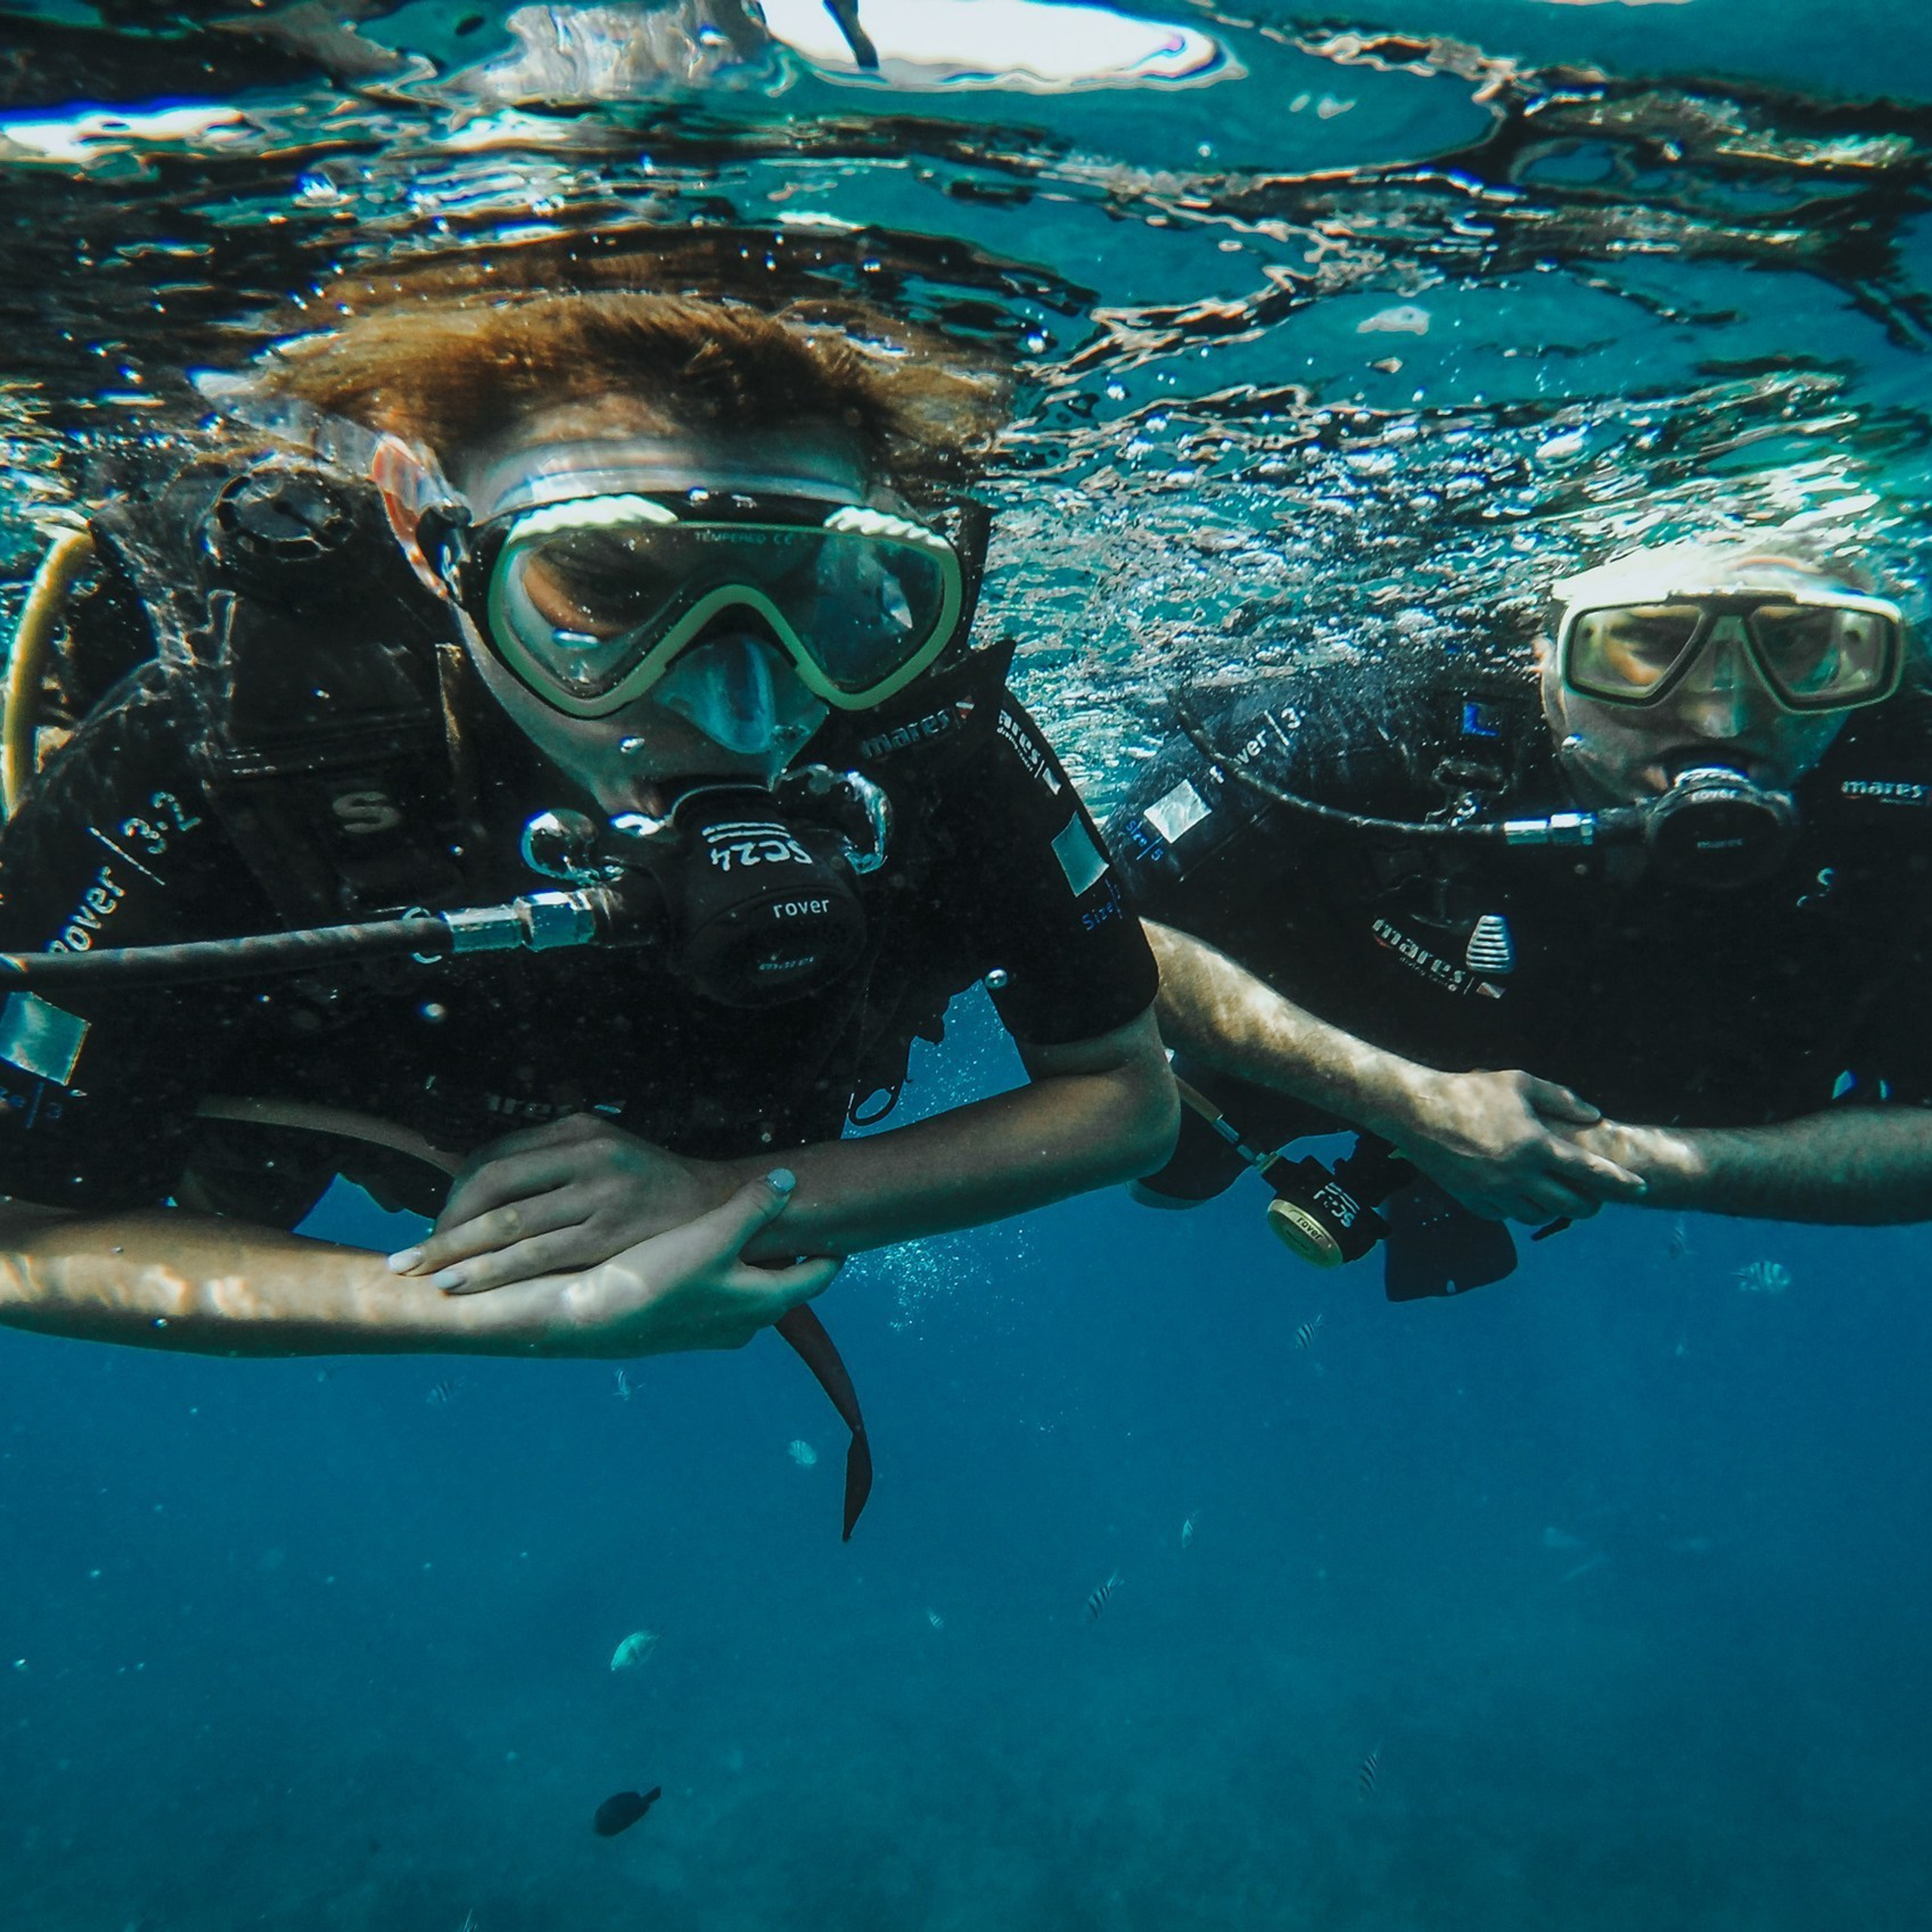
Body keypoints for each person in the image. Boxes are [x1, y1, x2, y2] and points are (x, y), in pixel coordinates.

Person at [0, 237, 1175, 1462]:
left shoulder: (905, 701)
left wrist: (732, 1196)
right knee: (224, 1184)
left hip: (758, 1092)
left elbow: (1125, 1095)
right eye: (608, 586)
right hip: (333, 1102)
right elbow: (18, 1231)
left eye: (811, 588)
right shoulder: (233, 738)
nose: (740, 715)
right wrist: (486, 1309)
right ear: (421, 526)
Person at [1109, 537, 1932, 1296]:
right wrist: (1402, 1103)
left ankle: (1433, 1176)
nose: (1725, 718)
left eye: (1794, 645)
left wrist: (1619, 1161)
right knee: (1160, 1170)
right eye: (1649, 644)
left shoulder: (1907, 784)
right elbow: (1090, 927)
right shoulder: (1376, 719)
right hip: (1328, 1025)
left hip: (1612, 1096)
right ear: (1547, 644)